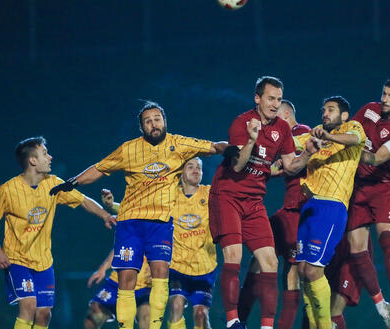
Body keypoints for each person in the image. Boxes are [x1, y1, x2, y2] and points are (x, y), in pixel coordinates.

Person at [49, 101, 228, 329]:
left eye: (157, 119)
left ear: (164, 121)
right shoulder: (128, 149)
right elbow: (100, 168)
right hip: (130, 224)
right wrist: (73, 181)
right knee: (125, 280)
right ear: (142, 127)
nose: (153, 124)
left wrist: (233, 149)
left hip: (160, 223)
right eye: (148, 121)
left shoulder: (179, 144)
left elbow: (213, 147)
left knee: (161, 274)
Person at [209, 77, 318, 329]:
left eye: (278, 99)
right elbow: (236, 165)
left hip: (254, 200)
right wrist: (250, 140)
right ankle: (233, 322)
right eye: (270, 98)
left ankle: (267, 326)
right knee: (234, 256)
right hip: (227, 196)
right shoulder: (242, 122)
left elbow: (290, 166)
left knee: (270, 261)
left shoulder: (282, 128)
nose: (274, 103)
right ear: (257, 98)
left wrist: (308, 153)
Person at [0, 136, 114, 329]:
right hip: (17, 261)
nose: (50, 157)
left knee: (44, 314)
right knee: (29, 305)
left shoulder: (53, 184)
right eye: (45, 153)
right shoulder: (8, 190)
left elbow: (83, 200)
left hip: (44, 262)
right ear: (33, 160)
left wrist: (104, 215)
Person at [333, 77, 390, 329]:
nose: (385, 99)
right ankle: (382, 307)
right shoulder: (369, 109)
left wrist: (351, 149)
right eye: (384, 94)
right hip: (357, 187)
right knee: (357, 249)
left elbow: (377, 158)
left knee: (386, 238)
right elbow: (349, 132)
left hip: (382, 188)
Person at [236, 99, 311, 328]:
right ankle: (238, 320)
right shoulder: (284, 139)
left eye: (277, 116)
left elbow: (287, 162)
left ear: (287, 113)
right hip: (287, 211)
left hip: (302, 210)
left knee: (292, 274)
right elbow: (278, 167)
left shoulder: (302, 132)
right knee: (258, 262)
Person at [294, 96, 366, 329]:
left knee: (314, 270)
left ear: (343, 115)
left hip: (332, 206)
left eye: (331, 110)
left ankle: (325, 326)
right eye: (323, 110)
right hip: (310, 206)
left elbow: (354, 140)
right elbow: (288, 143)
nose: (325, 113)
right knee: (303, 271)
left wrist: (329, 136)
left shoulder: (352, 127)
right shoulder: (315, 135)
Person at [84, 189, 151, 329]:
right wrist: (102, 268)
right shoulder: (134, 217)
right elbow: (120, 247)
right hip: (118, 281)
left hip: (144, 285)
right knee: (95, 311)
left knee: (146, 317)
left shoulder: (166, 223)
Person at [167, 157, 217, 329]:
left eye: (199, 168)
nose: (196, 170)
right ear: (181, 173)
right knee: (175, 305)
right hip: (177, 266)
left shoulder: (210, 193)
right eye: (190, 167)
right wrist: (112, 207)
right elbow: (141, 209)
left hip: (205, 267)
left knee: (201, 315)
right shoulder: (170, 196)